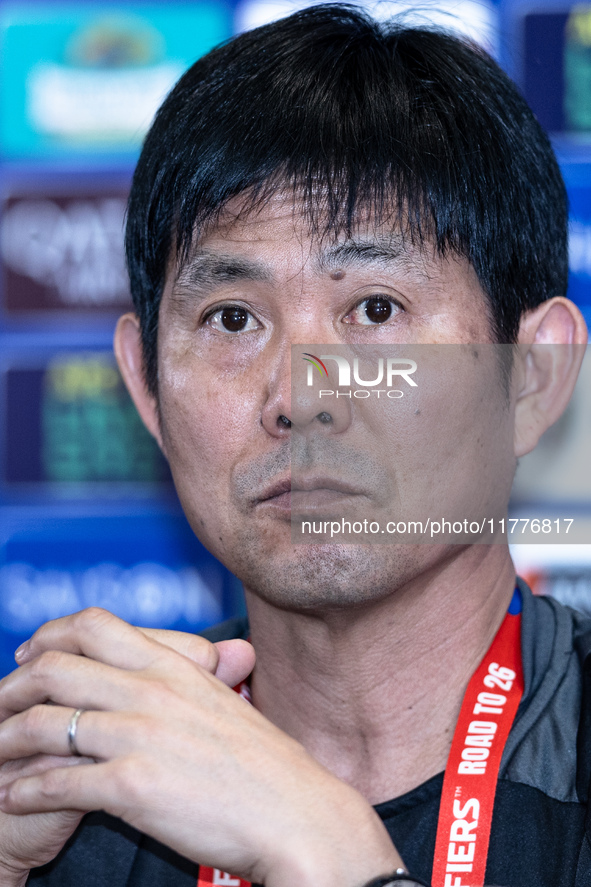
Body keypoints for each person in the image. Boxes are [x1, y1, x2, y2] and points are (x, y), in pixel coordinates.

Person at [0, 4, 588, 886]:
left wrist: (330, 859)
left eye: (375, 310)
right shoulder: (65, 800)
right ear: (145, 385)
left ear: (534, 377)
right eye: (232, 318)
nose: (298, 394)